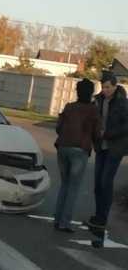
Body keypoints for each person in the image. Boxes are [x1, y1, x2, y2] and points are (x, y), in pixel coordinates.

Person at [54, 78, 101, 233]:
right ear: (91, 93)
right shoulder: (93, 110)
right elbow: (96, 133)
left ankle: (57, 219)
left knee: (64, 184)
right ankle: (64, 223)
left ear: (77, 91)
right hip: (80, 149)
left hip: (63, 147)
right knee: (73, 187)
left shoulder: (69, 107)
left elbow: (58, 127)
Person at [86, 72, 128, 229]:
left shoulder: (122, 103)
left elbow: (126, 127)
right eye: (103, 87)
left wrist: (108, 133)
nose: (105, 90)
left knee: (106, 181)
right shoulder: (98, 100)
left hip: (114, 148)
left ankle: (102, 217)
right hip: (100, 146)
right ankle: (98, 215)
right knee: (98, 183)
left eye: (108, 87)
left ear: (115, 86)